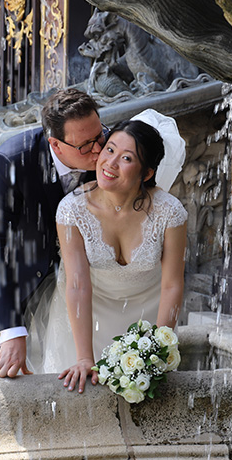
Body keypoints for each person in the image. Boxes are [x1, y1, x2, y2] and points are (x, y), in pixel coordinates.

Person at [27, 113, 188, 394]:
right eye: (110, 150)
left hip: (146, 316)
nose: (110, 163)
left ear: (147, 173)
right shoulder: (71, 210)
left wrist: (159, 349)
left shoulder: (170, 212)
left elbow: (172, 284)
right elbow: (77, 284)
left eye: (126, 158)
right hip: (82, 319)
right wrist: (84, 358)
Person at [0, 88, 107, 379]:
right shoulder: (12, 160)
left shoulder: (106, 148)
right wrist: (10, 331)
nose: (99, 150)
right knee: (14, 374)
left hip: (79, 279)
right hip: (15, 277)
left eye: (100, 135)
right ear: (55, 144)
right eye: (86, 145)